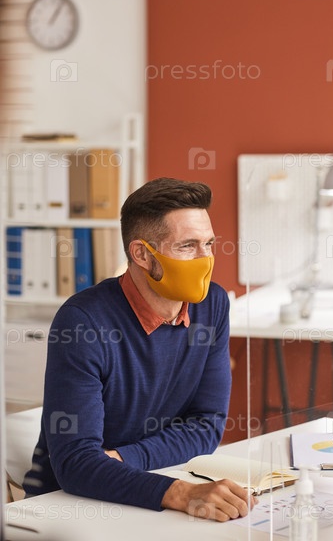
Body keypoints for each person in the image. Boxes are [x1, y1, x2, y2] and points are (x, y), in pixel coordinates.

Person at [23, 177, 256, 521]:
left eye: (209, 244)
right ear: (142, 254)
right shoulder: (82, 322)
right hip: (65, 506)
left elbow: (206, 426)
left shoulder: (213, 305)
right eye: (188, 246)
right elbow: (76, 464)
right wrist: (179, 493)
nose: (205, 259)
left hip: (152, 482)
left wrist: (125, 458)